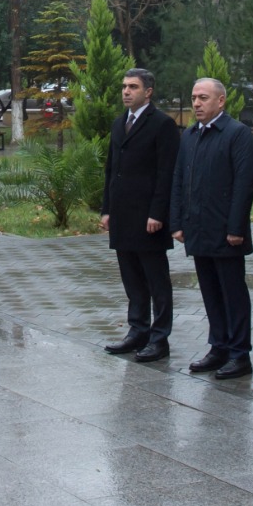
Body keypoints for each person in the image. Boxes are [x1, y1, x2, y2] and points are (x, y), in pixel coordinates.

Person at [172, 78, 253, 380]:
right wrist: (177, 221)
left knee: (232, 293)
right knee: (209, 291)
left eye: (203, 98)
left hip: (226, 231)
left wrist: (236, 228)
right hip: (198, 228)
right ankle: (218, 345)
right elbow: (180, 180)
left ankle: (239, 353)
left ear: (220, 101)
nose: (196, 103)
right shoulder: (190, 136)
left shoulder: (237, 134)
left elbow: (244, 184)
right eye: (194, 97)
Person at [101, 68, 181, 363]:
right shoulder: (119, 123)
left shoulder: (162, 124)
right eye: (124, 86)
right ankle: (138, 330)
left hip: (149, 217)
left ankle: (159, 338)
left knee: (156, 281)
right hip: (123, 215)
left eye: (132, 87)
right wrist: (106, 208)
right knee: (132, 279)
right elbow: (111, 169)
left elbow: (166, 172)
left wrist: (159, 212)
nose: (126, 91)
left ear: (148, 92)